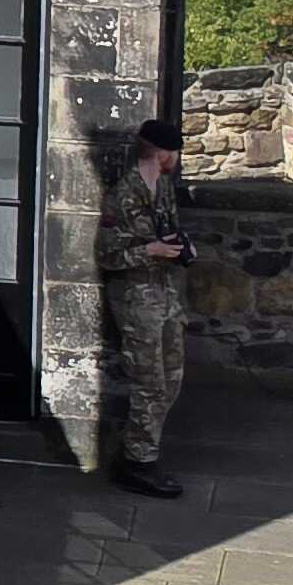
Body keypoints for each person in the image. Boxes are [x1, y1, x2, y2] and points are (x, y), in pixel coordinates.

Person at [94, 118, 193, 499]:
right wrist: (150, 250)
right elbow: (107, 255)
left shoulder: (162, 188)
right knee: (149, 383)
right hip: (138, 301)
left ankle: (139, 447)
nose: (177, 159)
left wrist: (178, 248)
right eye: (175, 152)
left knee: (172, 379)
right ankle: (138, 462)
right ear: (163, 153)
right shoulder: (123, 196)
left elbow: (166, 228)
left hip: (166, 296)